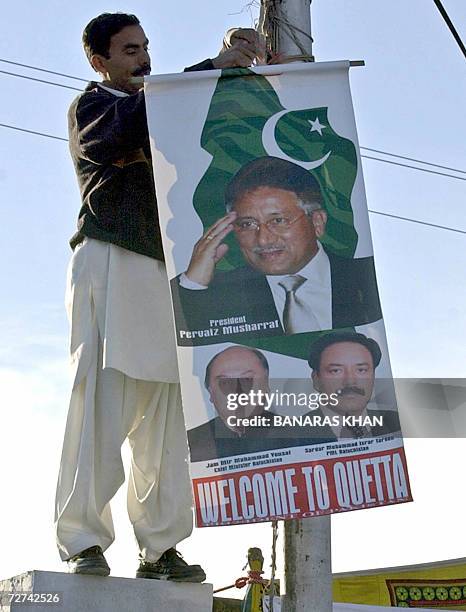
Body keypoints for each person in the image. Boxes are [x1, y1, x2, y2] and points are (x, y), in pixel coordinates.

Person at [54, 12, 263, 581]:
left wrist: (246, 69)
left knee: (171, 415)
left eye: (145, 47)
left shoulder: (166, 101)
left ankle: (161, 547)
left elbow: (199, 117)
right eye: (128, 50)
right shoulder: (94, 108)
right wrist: (213, 65)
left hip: (169, 268)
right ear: (99, 61)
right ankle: (82, 539)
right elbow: (137, 126)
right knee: (102, 402)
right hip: (111, 260)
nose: (143, 58)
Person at [170, 156, 382, 346]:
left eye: (278, 220)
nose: (263, 239)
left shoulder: (370, 278)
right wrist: (193, 283)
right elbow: (188, 356)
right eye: (247, 224)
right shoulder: (219, 294)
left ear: (317, 222)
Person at [307, 331, 401, 439]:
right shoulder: (290, 436)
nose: (350, 381)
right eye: (336, 371)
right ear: (316, 380)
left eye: (361, 370)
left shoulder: (395, 423)